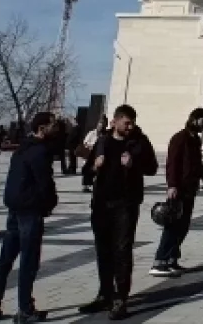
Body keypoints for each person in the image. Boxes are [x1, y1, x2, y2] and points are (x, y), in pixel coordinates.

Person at [78, 105, 159, 320]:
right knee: (103, 250)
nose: (130, 127)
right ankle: (104, 294)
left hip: (126, 204)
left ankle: (120, 298)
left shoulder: (140, 142)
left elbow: (152, 168)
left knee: (122, 251)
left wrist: (134, 163)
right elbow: (86, 172)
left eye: (132, 123)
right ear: (115, 122)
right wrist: (94, 167)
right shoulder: (103, 141)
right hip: (101, 203)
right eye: (126, 123)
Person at [0, 112, 59, 323]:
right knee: (28, 261)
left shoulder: (23, 148)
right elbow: (44, 182)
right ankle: (25, 309)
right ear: (42, 128)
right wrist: (50, 203)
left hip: (15, 207)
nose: (56, 128)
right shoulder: (40, 151)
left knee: (6, 259)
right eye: (53, 125)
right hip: (30, 209)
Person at [151, 108, 203, 277]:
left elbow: (197, 161)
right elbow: (172, 163)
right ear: (195, 119)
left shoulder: (195, 140)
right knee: (173, 225)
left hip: (190, 188)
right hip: (179, 189)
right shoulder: (180, 138)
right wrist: (172, 185)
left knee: (183, 226)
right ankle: (159, 261)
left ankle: (172, 259)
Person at [77, 115, 109, 194]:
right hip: (90, 154)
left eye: (103, 124)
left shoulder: (106, 134)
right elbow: (85, 142)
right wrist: (90, 145)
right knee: (88, 169)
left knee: (98, 170)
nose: (101, 126)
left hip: (100, 154)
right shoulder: (92, 133)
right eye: (100, 124)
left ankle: (97, 185)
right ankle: (85, 186)